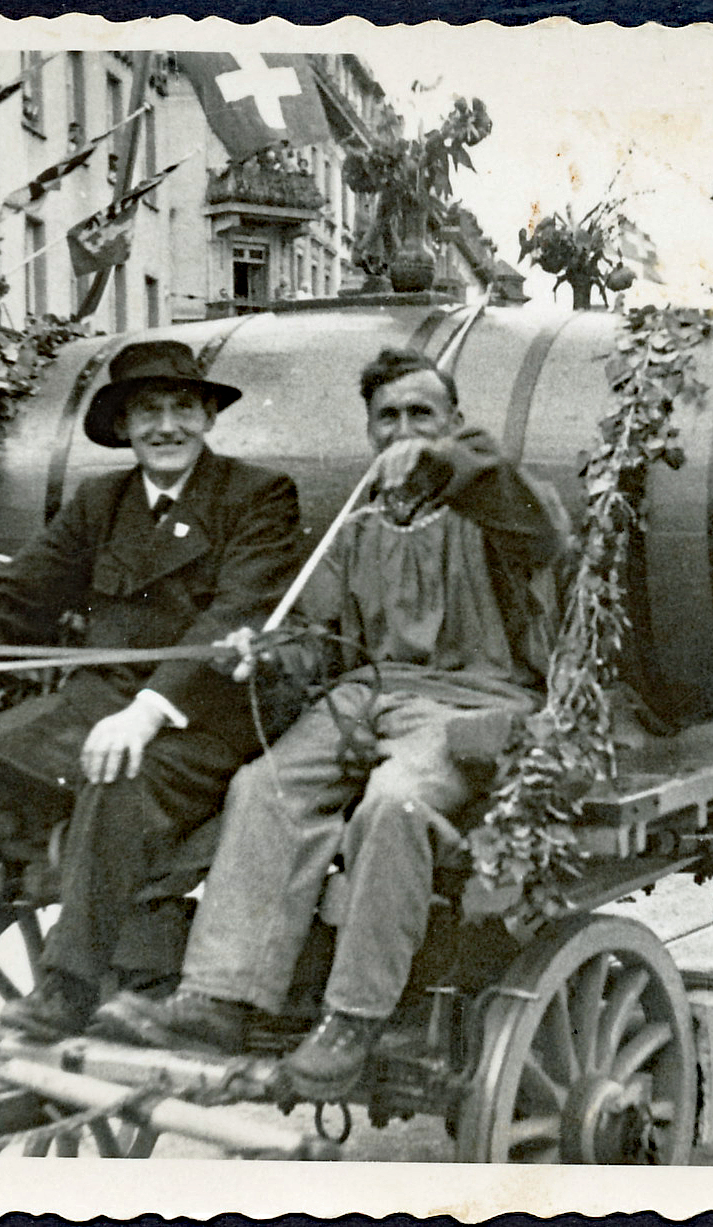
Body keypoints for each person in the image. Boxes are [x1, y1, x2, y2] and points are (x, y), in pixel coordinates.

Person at [90, 347, 565, 1102]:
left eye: (422, 413)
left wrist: (444, 461)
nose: (403, 429)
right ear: (369, 432)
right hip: (362, 695)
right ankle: (221, 995)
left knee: (395, 804)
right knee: (262, 786)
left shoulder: (495, 503)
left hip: (476, 700)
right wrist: (267, 654)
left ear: (454, 422)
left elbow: (537, 526)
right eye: (389, 418)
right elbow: (318, 637)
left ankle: (354, 1017)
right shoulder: (360, 520)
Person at [0, 340, 304, 1039]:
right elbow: (8, 596)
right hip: (90, 709)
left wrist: (146, 711)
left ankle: (70, 986)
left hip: (202, 720)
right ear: (125, 427)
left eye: (182, 408)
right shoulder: (102, 502)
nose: (167, 426)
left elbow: (235, 615)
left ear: (207, 419)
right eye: (148, 411)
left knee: (116, 778)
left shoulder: (258, 495)